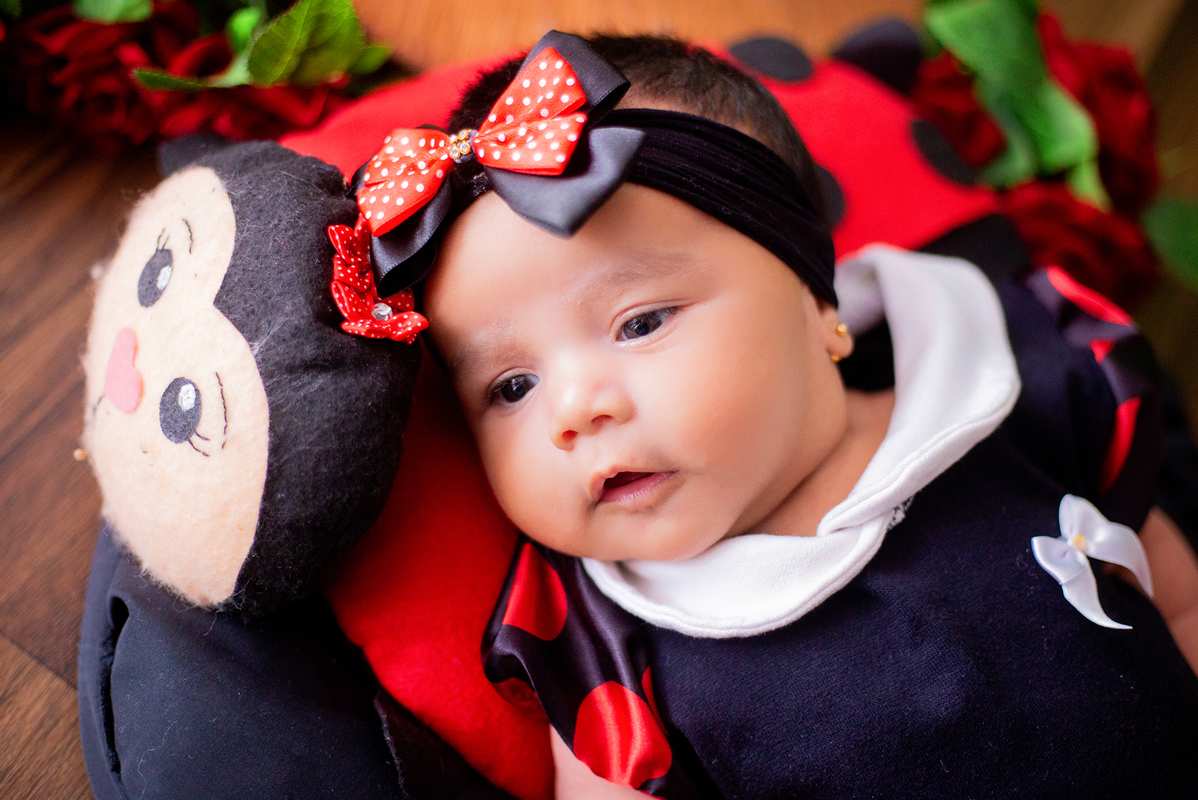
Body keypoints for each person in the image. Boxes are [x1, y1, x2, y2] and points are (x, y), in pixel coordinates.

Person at [344, 32, 1198, 799]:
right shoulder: (610, 658)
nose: (574, 410)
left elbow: (1180, 599)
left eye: (640, 323)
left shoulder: (1000, 390)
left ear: (814, 298)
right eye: (510, 388)